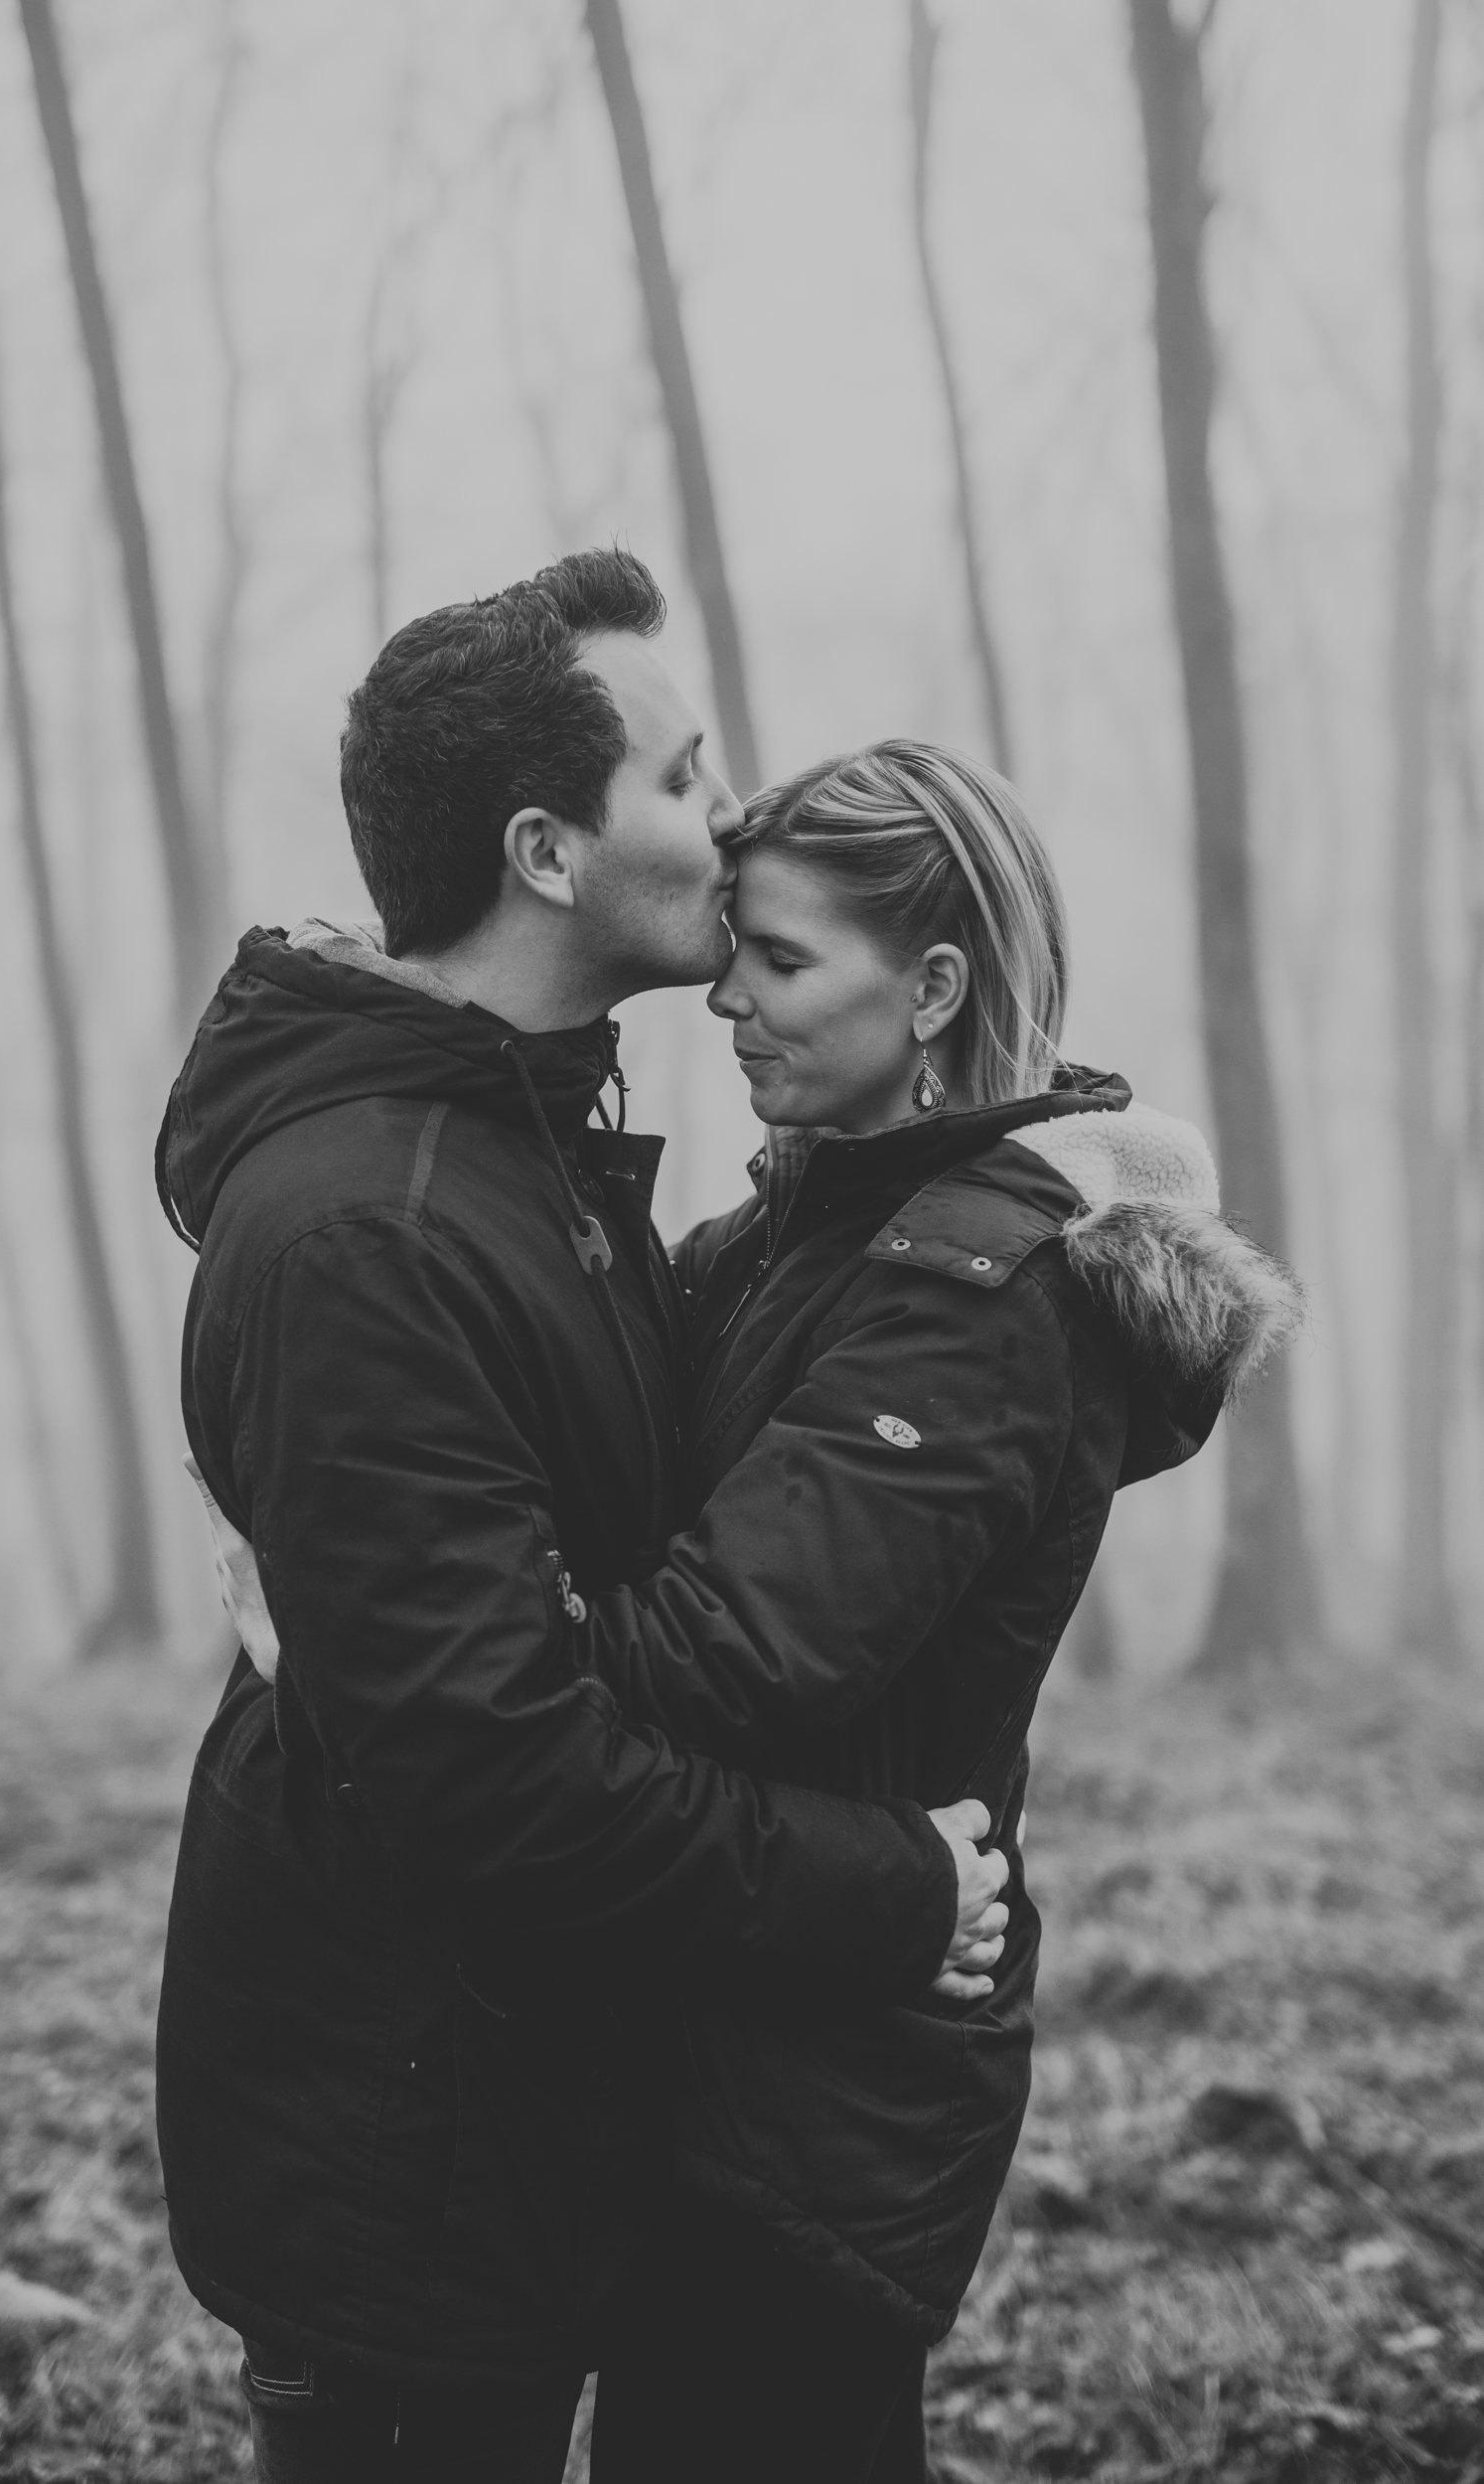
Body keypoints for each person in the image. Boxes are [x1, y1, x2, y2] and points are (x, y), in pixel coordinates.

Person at [154, 554, 1007, 2484]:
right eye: (683, 776)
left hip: (514, 2110)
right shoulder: (374, 1232)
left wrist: (1044, 1174)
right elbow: (494, 1770)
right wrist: (892, 1892)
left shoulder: (518, 1147)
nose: (732, 812)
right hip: (399, 2157)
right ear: (545, 852)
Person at [567, 740, 1303, 2481]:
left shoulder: (977, 1295)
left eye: (781, 960)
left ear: (934, 990)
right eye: (733, 949)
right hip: (745, 2014)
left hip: (817, 2090)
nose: (725, 999)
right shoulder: (807, 1228)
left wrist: (418, 1621)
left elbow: (727, 1657)